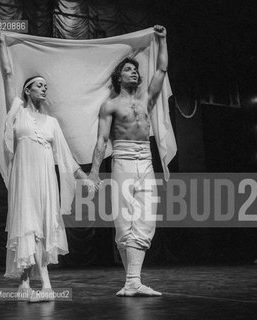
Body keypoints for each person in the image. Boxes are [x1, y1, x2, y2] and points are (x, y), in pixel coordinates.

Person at [0, 32, 96, 302]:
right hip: (24, 178)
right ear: (27, 90)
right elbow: (7, 74)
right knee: (27, 226)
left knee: (43, 226)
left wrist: (84, 178)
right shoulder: (16, 111)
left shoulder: (52, 123)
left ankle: (46, 284)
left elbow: (65, 157)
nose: (44, 89)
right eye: (39, 85)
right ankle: (26, 282)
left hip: (45, 181)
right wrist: (2, 44)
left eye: (45, 86)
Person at [88, 25, 168, 297]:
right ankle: (132, 280)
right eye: (129, 70)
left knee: (146, 216)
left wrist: (162, 39)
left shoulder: (145, 100)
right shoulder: (109, 105)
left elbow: (161, 71)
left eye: (136, 70)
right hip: (121, 157)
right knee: (124, 218)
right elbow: (101, 141)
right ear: (118, 77)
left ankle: (133, 280)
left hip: (145, 158)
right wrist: (95, 172)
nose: (135, 72)